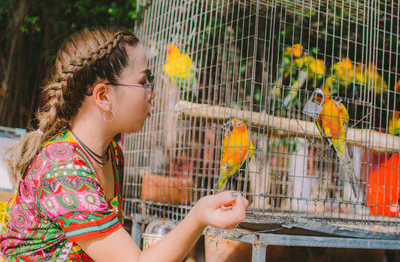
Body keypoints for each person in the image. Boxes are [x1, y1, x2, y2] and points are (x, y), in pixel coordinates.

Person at [0, 27, 248, 261]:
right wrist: (199, 216)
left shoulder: (111, 154)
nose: (152, 92)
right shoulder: (65, 171)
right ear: (103, 96)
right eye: (143, 82)